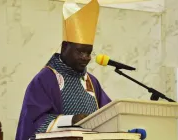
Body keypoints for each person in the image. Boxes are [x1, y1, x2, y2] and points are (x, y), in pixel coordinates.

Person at [15, 0, 111, 139]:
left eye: (88, 52)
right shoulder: (45, 79)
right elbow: (32, 122)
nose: (86, 57)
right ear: (65, 47)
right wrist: (70, 121)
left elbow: (109, 114)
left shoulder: (92, 82)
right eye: (80, 52)